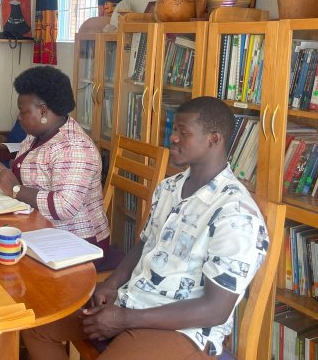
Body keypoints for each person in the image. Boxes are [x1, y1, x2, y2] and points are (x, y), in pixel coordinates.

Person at [21, 97, 269, 359]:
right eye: (174, 130)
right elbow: (145, 243)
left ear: (213, 139)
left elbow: (216, 309)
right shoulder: (169, 187)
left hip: (182, 329)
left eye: (183, 133)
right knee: (37, 325)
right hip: (134, 300)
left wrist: (125, 319)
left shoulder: (236, 213)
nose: (173, 138)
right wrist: (112, 285)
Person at [0, 66, 109, 248]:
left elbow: (65, 207)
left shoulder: (74, 146)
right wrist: (5, 173)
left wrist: (15, 188)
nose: (19, 117)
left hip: (78, 243)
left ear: (42, 111)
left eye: (23, 111)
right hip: (41, 228)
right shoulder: (35, 136)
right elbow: (36, 178)